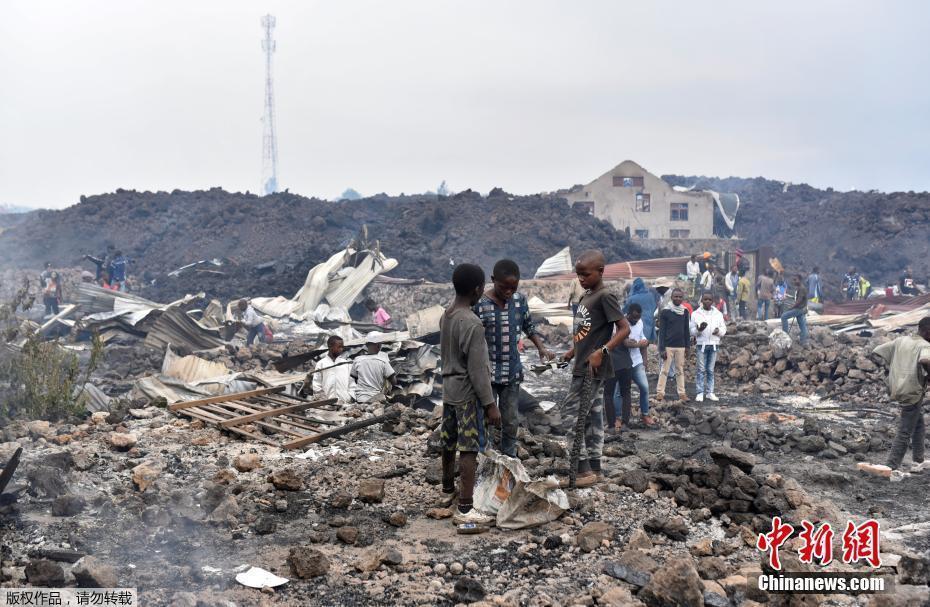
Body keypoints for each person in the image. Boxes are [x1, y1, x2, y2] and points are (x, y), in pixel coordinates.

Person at [560, 250, 629, 487]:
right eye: (578, 274)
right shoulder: (587, 296)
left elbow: (624, 329)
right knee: (592, 418)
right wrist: (572, 352)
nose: (581, 279)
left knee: (570, 416)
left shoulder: (605, 296)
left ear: (600, 271)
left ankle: (582, 470)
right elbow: (587, 334)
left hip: (591, 370)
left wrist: (602, 352)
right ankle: (596, 469)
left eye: (585, 274)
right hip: (583, 364)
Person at [438, 263, 501, 525]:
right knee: (469, 448)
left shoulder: (447, 315)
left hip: (448, 390)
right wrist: (490, 405)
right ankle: (465, 508)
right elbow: (477, 371)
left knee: (448, 441)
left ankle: (446, 491)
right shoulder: (472, 323)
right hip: (466, 394)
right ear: (477, 289)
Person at [473, 259, 553, 458]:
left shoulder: (519, 301)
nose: (508, 291)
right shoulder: (480, 305)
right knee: (485, 418)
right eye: (503, 287)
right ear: (493, 280)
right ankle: (486, 457)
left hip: (512, 372)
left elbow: (528, 326)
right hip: (487, 373)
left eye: (513, 287)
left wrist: (541, 348)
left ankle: (509, 457)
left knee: (510, 420)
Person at [873, 317, 930, 472]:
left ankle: (918, 459)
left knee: (918, 422)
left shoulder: (901, 340)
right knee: (905, 430)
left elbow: (878, 350)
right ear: (927, 331)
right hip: (912, 390)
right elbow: (925, 360)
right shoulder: (925, 345)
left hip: (898, 387)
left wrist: (894, 368)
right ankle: (891, 465)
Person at [615, 303, 653, 429]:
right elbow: (625, 343)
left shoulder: (640, 322)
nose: (636, 320)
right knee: (619, 392)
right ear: (628, 314)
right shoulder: (621, 324)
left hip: (636, 362)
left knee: (645, 388)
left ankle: (645, 414)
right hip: (623, 363)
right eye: (634, 317)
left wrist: (645, 345)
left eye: (638, 317)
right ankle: (618, 418)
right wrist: (637, 345)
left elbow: (642, 338)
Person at [656, 288, 691, 402]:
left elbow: (686, 330)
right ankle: (660, 393)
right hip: (668, 346)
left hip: (681, 346)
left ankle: (682, 394)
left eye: (680, 297)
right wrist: (661, 349)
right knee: (664, 370)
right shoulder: (666, 311)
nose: (678, 298)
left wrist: (687, 347)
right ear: (671, 297)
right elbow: (662, 332)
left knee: (679, 370)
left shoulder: (685, 311)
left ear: (683, 298)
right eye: (676, 296)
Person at [691, 293, 726, 402]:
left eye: (709, 299)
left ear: (712, 301)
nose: (707, 301)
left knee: (710, 370)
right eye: (705, 299)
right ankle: (700, 392)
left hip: (714, 344)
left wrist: (718, 331)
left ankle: (710, 392)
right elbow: (691, 330)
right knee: (701, 369)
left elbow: (723, 329)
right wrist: (698, 330)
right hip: (702, 344)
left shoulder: (718, 314)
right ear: (702, 300)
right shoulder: (696, 314)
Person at [350, 332, 396, 405]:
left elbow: (355, 379)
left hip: (360, 400)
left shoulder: (357, 360)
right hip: (376, 400)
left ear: (367, 344)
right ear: (379, 346)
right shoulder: (383, 361)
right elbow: (394, 381)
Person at [312, 335, 354, 403]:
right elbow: (316, 384)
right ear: (330, 346)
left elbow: (351, 383)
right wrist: (323, 400)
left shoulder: (346, 364)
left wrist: (349, 397)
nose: (341, 349)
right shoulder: (321, 364)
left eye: (342, 347)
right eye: (339, 347)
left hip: (344, 404)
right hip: (326, 405)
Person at [624, 278, 658, 343]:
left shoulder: (632, 298)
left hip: (636, 322)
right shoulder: (650, 295)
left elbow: (625, 310)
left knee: (637, 342)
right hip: (650, 322)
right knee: (646, 343)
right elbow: (654, 306)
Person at [780, 274, 809, 346]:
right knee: (802, 325)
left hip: (799, 309)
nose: (794, 281)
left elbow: (799, 301)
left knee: (784, 316)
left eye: (795, 280)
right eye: (794, 280)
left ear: (800, 280)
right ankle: (803, 342)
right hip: (802, 308)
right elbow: (799, 299)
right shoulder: (800, 288)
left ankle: (785, 336)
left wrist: (791, 308)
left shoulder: (801, 288)